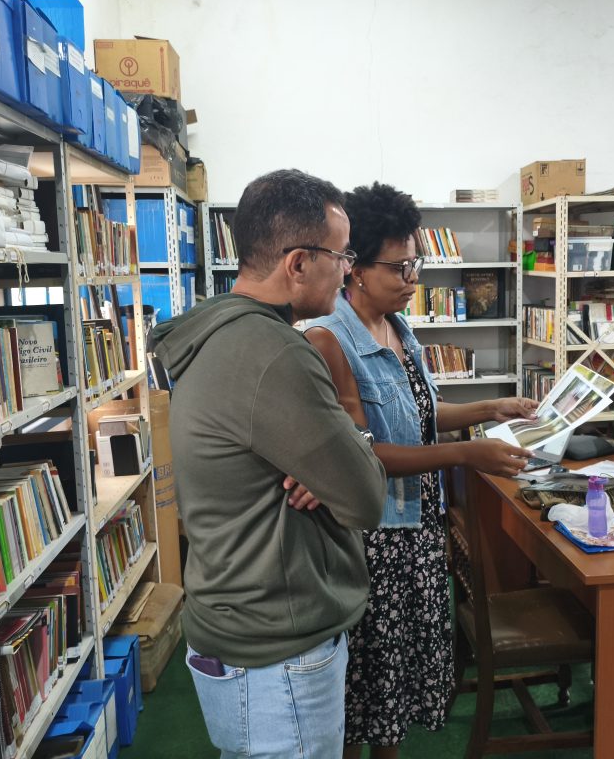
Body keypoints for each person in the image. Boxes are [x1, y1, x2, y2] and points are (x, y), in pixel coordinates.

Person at [150, 169, 387, 759]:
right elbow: (364, 497)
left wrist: (326, 467)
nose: (348, 270)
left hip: (235, 621)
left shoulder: (216, 332)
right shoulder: (276, 354)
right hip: (278, 647)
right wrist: (351, 442)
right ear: (299, 263)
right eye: (342, 255)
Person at [304, 182, 537, 758]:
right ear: (355, 268)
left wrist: (490, 408)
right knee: (367, 692)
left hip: (418, 529)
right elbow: (362, 453)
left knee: (397, 691)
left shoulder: (398, 327)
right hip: (377, 540)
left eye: (416, 265)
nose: (413, 280)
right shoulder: (331, 340)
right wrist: (465, 454)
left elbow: (419, 415)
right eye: (400, 268)